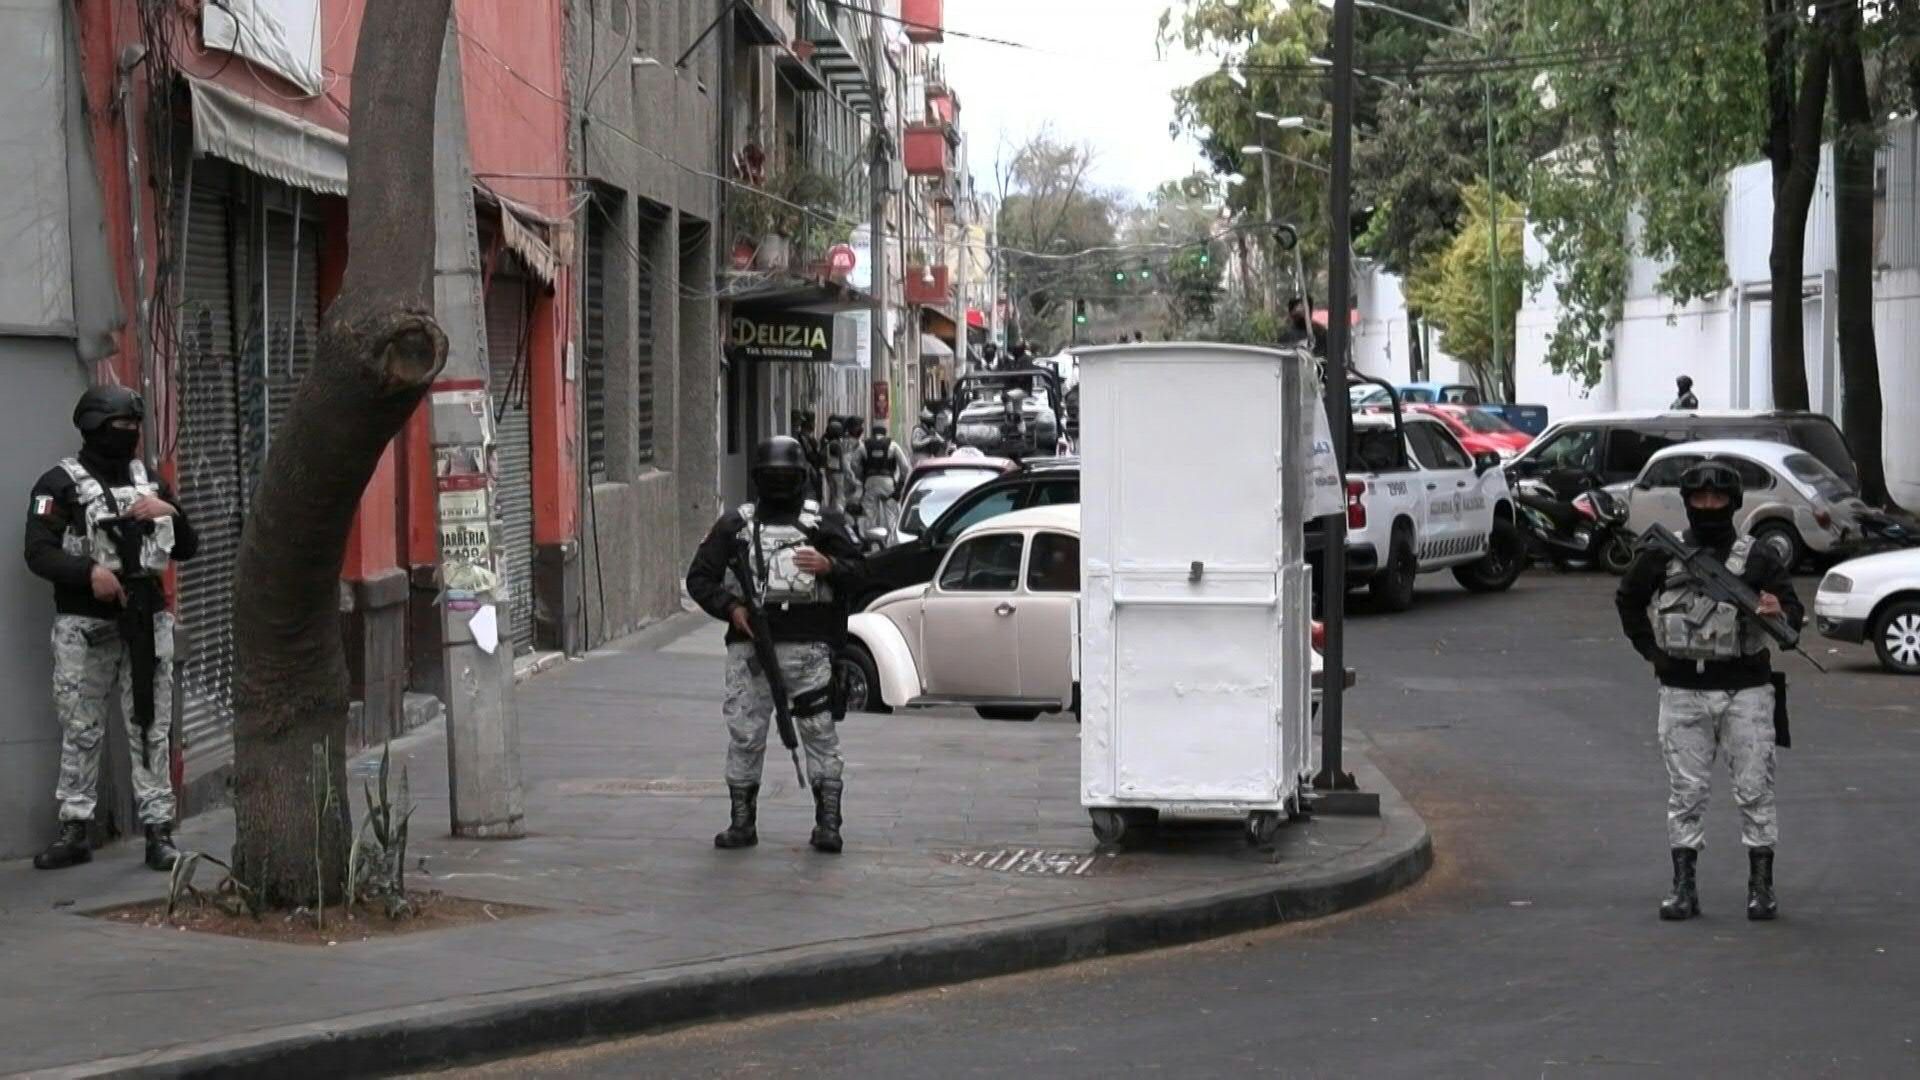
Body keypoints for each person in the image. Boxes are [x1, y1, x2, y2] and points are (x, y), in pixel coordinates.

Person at [1616, 461, 1800, 922]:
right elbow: (1628, 599)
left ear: (1733, 504)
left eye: (1718, 500)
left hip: (1747, 690)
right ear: (1688, 502)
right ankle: (1684, 888)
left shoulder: (1757, 558)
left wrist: (1780, 610)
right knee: (1687, 792)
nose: (1709, 507)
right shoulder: (1665, 553)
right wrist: (1652, 653)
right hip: (1683, 691)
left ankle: (1762, 888)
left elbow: (1791, 615)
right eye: (1700, 499)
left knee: (1756, 790)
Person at [25, 387, 200, 872]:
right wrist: (89, 574)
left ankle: (158, 831)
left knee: (150, 728)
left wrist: (172, 513)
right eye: (118, 428)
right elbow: (38, 551)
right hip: (85, 627)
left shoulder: (151, 484)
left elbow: (187, 547)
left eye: (132, 428)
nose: (127, 437)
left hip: (146, 623)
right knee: (81, 728)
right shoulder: (58, 485)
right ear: (93, 428)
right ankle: (76, 828)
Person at [685, 437, 869, 853]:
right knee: (746, 735)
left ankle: (828, 823)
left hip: (810, 653)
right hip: (751, 653)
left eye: (786, 477)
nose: (780, 485)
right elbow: (699, 578)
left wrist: (830, 565)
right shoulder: (736, 526)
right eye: (773, 477)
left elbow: (861, 573)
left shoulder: (823, 523)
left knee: (819, 734)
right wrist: (732, 609)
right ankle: (742, 822)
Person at [858, 422, 910, 537]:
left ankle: (871, 542)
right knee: (891, 515)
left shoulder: (864, 445)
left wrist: (862, 478)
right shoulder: (893, 445)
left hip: (870, 482)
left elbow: (854, 464)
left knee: (869, 514)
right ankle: (891, 541)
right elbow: (905, 467)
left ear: (873, 433)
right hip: (888, 483)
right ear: (885, 433)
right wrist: (900, 486)